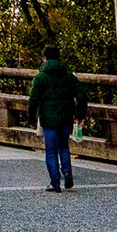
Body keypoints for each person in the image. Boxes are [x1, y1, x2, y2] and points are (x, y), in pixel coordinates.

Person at [27, 45, 86, 192]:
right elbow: (81, 95)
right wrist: (80, 116)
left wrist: (31, 120)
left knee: (51, 151)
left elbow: (33, 100)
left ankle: (55, 182)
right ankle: (67, 173)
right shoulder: (69, 76)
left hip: (48, 119)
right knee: (64, 146)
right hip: (66, 118)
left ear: (45, 58)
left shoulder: (40, 77)